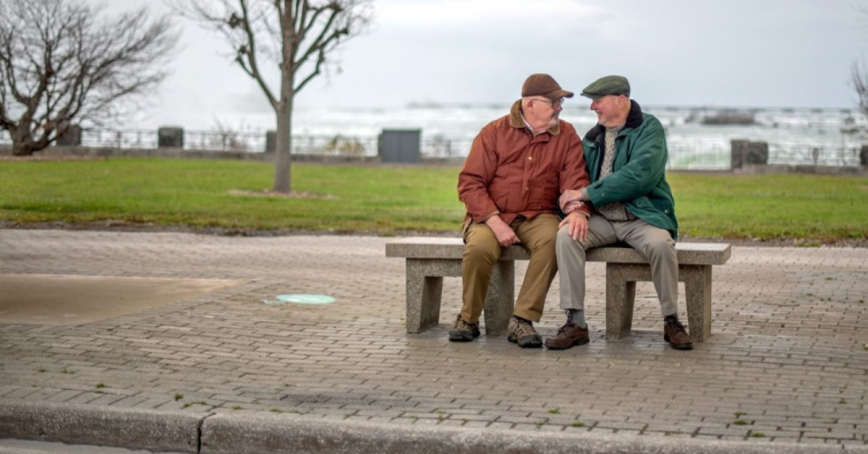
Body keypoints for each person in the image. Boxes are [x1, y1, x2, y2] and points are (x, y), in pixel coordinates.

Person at [546, 75, 694, 351]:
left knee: (661, 245)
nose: (593, 108)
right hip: (602, 220)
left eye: (598, 101)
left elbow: (638, 176)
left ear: (621, 100)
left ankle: (671, 320)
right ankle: (575, 322)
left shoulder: (649, 128)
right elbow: (577, 175)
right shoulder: (592, 138)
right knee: (567, 236)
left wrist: (586, 194)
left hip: (641, 217)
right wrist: (578, 209)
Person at [452, 73, 591, 348]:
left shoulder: (567, 135)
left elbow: (575, 181)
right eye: (554, 102)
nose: (560, 107)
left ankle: (522, 320)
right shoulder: (493, 132)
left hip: (539, 215)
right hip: (491, 215)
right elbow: (470, 183)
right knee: (479, 248)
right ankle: (468, 319)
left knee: (555, 240)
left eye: (560, 102)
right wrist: (493, 221)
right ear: (530, 105)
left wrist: (577, 211)